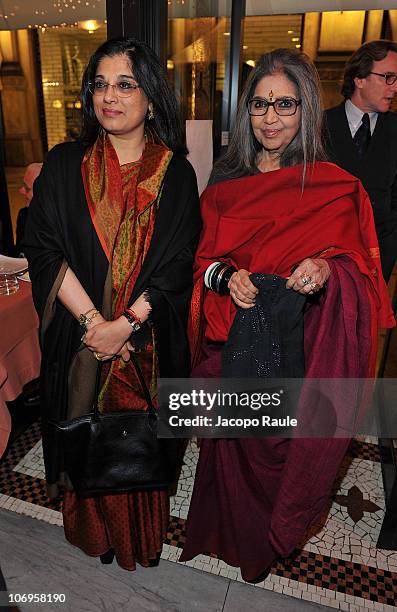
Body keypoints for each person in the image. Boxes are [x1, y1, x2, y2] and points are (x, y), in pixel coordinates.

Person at [180, 48, 394, 582]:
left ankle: (273, 537)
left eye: (285, 105)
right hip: (233, 342)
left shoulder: (330, 184)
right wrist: (227, 279)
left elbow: (358, 271)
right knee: (231, 451)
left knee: (284, 454)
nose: (270, 118)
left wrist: (324, 267)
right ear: (245, 110)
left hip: (297, 348)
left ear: (306, 110)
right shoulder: (226, 183)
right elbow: (201, 264)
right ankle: (232, 534)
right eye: (259, 104)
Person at [24, 37, 201, 571]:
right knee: (84, 434)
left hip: (142, 344)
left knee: (134, 448)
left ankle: (135, 542)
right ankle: (94, 537)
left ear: (151, 97)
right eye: (100, 84)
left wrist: (124, 325)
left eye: (125, 84)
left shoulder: (176, 173)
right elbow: (44, 247)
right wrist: (92, 324)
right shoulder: (63, 164)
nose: (110, 96)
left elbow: (177, 264)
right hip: (81, 341)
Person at [324, 40, 397, 282]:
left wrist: (390, 249)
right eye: (388, 77)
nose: (396, 88)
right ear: (359, 79)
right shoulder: (320, 127)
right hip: (324, 261)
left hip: (379, 260)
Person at [14, 162, 43, 256]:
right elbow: (19, 254)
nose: (21, 191)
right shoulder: (24, 216)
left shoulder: (64, 224)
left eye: (27, 188)